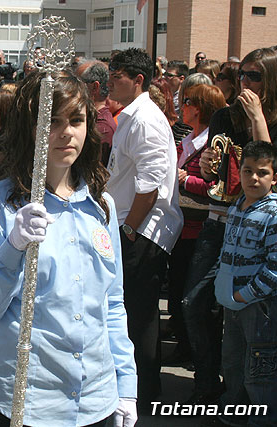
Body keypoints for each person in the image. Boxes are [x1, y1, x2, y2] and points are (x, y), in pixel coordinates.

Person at [0, 70, 137, 427]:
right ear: (30, 128)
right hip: (23, 399)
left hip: (95, 398)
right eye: (51, 121)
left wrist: (126, 383)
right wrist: (13, 247)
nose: (66, 133)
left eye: (76, 120)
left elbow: (112, 302)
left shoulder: (101, 205)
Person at [182, 47, 277, 407]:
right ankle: (210, 382)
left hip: (262, 229)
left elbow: (269, 172)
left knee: (249, 320)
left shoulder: (267, 119)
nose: (245, 83)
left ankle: (249, 398)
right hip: (219, 220)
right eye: (242, 75)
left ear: (271, 80)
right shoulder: (224, 117)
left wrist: (257, 119)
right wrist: (208, 166)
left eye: (254, 76)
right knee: (193, 303)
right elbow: (215, 176)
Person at [106, 48, 183, 409]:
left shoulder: (145, 119)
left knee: (139, 316)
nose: (110, 78)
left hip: (141, 231)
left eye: (117, 73)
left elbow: (149, 185)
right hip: (128, 224)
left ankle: (145, 392)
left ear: (138, 80)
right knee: (132, 313)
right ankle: (137, 388)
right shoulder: (131, 116)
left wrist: (130, 231)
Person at [211, 140, 277, 426]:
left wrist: (244, 295)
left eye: (262, 172)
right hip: (233, 303)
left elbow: (275, 268)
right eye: (248, 170)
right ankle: (234, 413)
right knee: (234, 362)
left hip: (259, 308)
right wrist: (222, 287)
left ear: (274, 177)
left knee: (260, 369)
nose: (253, 178)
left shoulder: (274, 214)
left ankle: (264, 418)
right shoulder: (238, 206)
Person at [165, 84, 226, 367]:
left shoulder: (212, 144)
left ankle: (195, 355)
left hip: (198, 231)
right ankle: (184, 346)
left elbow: (218, 188)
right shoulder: (188, 139)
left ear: (199, 107)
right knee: (177, 293)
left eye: (186, 101)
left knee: (191, 299)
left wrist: (184, 180)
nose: (181, 106)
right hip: (179, 228)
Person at [77, 60, 116, 165]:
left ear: (94, 87)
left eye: (79, 83)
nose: (75, 88)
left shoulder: (102, 128)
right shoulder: (91, 119)